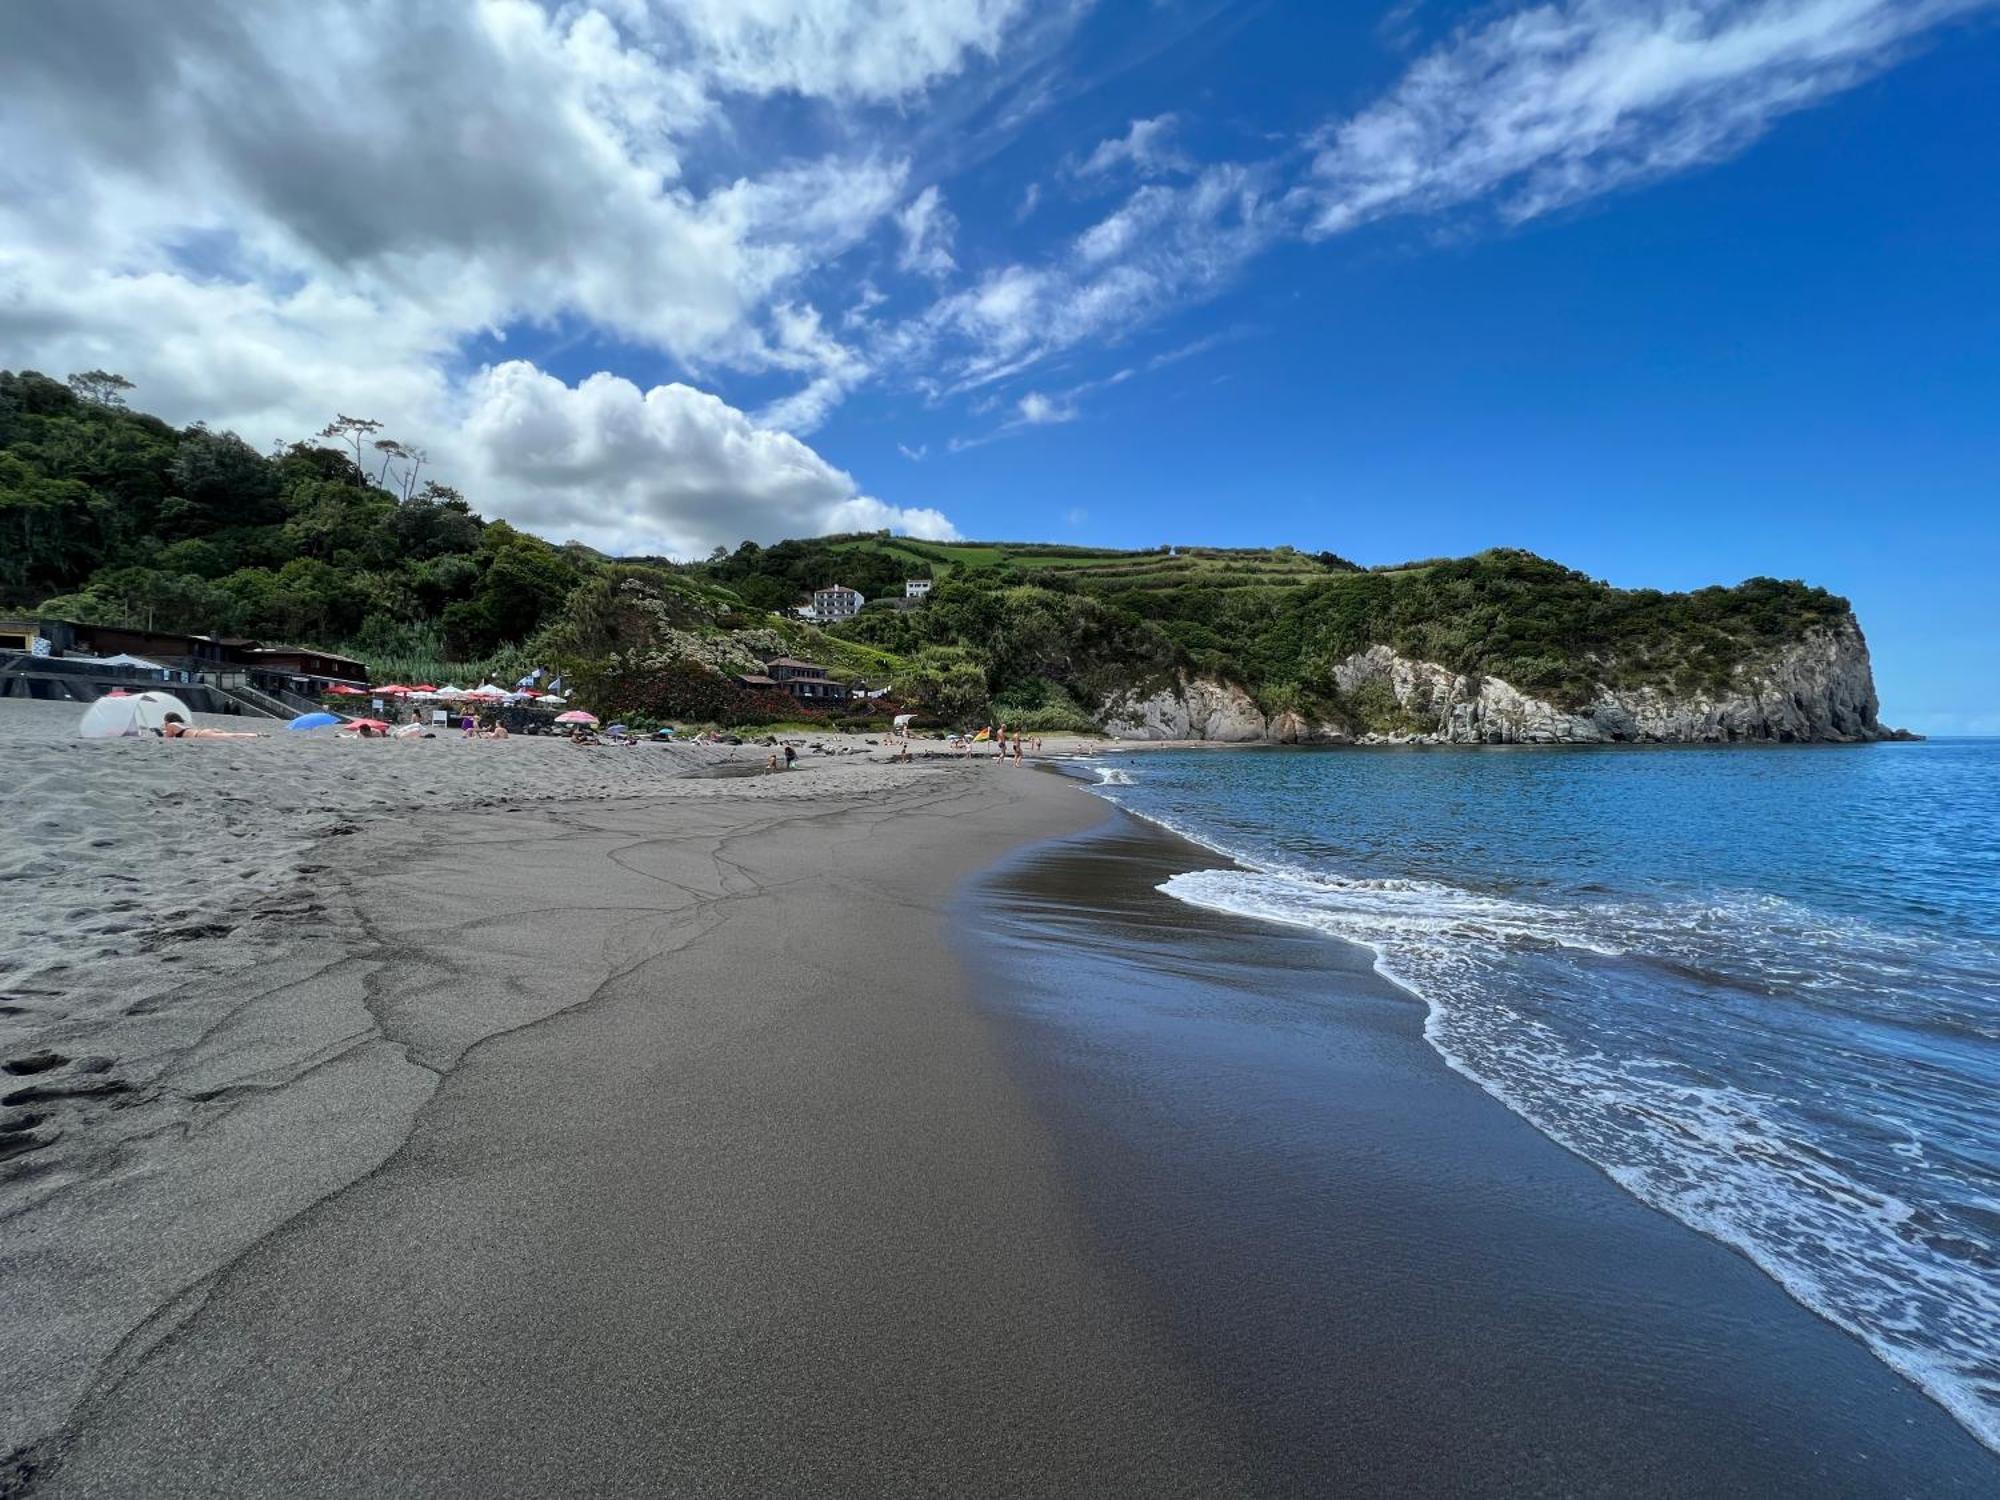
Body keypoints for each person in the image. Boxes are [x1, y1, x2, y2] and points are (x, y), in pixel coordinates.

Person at [159, 714, 260, 740]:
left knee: (232, 736)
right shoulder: (182, 724)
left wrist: (163, 729)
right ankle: (255, 735)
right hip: (203, 732)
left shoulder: (171, 725)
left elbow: (168, 738)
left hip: (201, 735)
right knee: (231, 735)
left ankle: (255, 735)